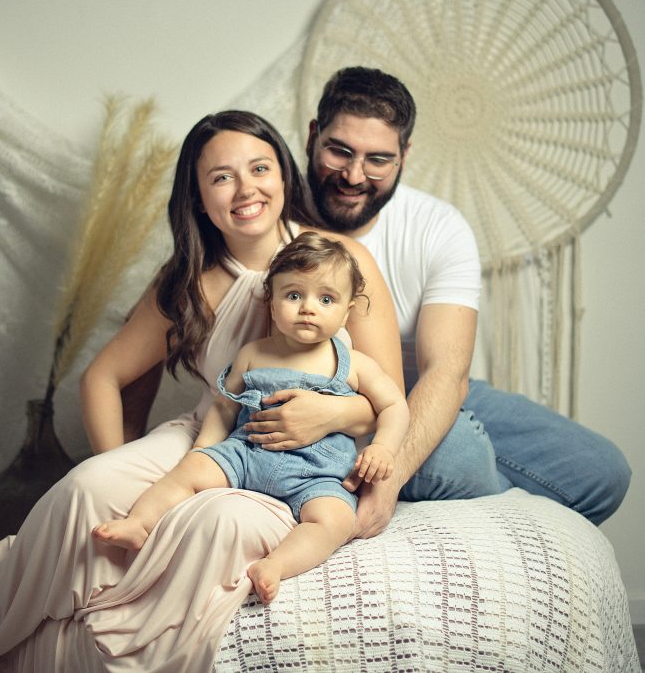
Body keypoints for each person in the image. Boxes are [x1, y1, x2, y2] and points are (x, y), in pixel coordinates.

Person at [0, 110, 403, 672]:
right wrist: (131, 464)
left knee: (213, 525)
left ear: (284, 173)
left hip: (314, 454)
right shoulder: (189, 278)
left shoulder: (341, 260)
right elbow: (103, 378)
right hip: (215, 431)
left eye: (259, 167)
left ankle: (88, 638)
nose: (245, 188)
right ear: (200, 199)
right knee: (86, 487)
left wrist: (325, 417)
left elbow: (385, 398)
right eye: (221, 177)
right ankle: (0, 638)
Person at [237, 66, 632, 535]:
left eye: (378, 159)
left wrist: (390, 475)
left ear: (404, 155)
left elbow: (447, 372)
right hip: (327, 387)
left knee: (603, 473)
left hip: (417, 388)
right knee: (461, 445)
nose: (354, 175)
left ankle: (479, 492)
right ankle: (482, 493)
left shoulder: (438, 227)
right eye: (340, 151)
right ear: (312, 137)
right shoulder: (268, 211)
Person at [93, 232, 410, 604]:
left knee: (334, 520)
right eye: (294, 295)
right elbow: (225, 406)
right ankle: (139, 523)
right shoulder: (253, 353)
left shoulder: (354, 364)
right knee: (185, 474)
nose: (308, 308)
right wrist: (202, 450)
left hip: (315, 472)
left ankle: (276, 565)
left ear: (347, 309)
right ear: (271, 302)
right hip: (246, 452)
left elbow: (394, 406)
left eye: (326, 299)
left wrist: (385, 449)